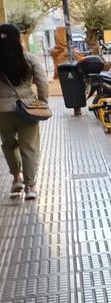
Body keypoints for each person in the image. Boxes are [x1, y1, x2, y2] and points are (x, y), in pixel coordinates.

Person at [0, 25, 48, 200]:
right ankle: (30, 186)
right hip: (27, 108)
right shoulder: (28, 58)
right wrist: (42, 102)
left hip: (2, 111)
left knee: (8, 144)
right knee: (29, 147)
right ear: (17, 38)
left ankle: (16, 178)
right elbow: (42, 81)